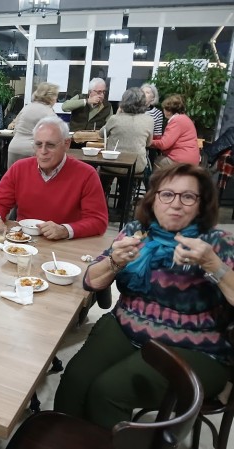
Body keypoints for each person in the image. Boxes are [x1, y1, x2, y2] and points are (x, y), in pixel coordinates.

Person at [54, 163, 234, 430]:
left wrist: (213, 265)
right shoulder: (137, 231)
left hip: (196, 346)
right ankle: (65, 439)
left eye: (188, 196)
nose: (176, 204)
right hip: (128, 326)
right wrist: (115, 261)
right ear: (154, 199)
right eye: (167, 194)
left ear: (201, 204)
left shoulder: (217, 243)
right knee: (75, 380)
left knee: (108, 391)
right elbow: (91, 281)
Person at [0, 116, 108, 240]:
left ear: (66, 144)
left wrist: (65, 230)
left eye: (50, 145)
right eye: (38, 144)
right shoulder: (19, 168)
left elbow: (98, 221)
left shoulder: (86, 174)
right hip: (23, 242)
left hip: (65, 245)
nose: (43, 151)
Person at [98, 87, 153, 209]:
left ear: (123, 102)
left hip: (112, 163)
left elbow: (101, 134)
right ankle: (123, 208)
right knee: (128, 181)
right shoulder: (149, 120)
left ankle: (102, 201)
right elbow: (149, 143)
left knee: (104, 176)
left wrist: (118, 113)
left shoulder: (115, 119)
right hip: (136, 165)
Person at [7, 82, 58, 168]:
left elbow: (15, 129)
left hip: (14, 148)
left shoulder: (26, 108)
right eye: (56, 97)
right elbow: (56, 135)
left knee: (14, 176)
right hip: (31, 151)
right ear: (51, 98)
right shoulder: (49, 112)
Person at [151, 94, 199, 168]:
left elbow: (164, 144)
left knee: (156, 161)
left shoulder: (176, 121)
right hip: (190, 159)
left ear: (169, 110)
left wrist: (149, 141)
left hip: (182, 161)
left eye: (164, 108)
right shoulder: (184, 118)